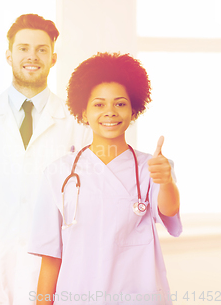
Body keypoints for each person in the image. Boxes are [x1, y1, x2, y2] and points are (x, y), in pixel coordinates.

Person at [0, 14, 91, 305]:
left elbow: (88, 198)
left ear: (53, 58)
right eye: (23, 48)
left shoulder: (76, 123)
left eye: (41, 49)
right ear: (9, 55)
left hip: (57, 269)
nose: (32, 56)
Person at [28, 52, 182, 305]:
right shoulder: (59, 173)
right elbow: (50, 257)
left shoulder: (152, 167)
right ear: (84, 112)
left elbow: (169, 209)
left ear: (134, 110)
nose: (110, 112)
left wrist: (166, 181)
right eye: (99, 104)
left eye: (120, 104)